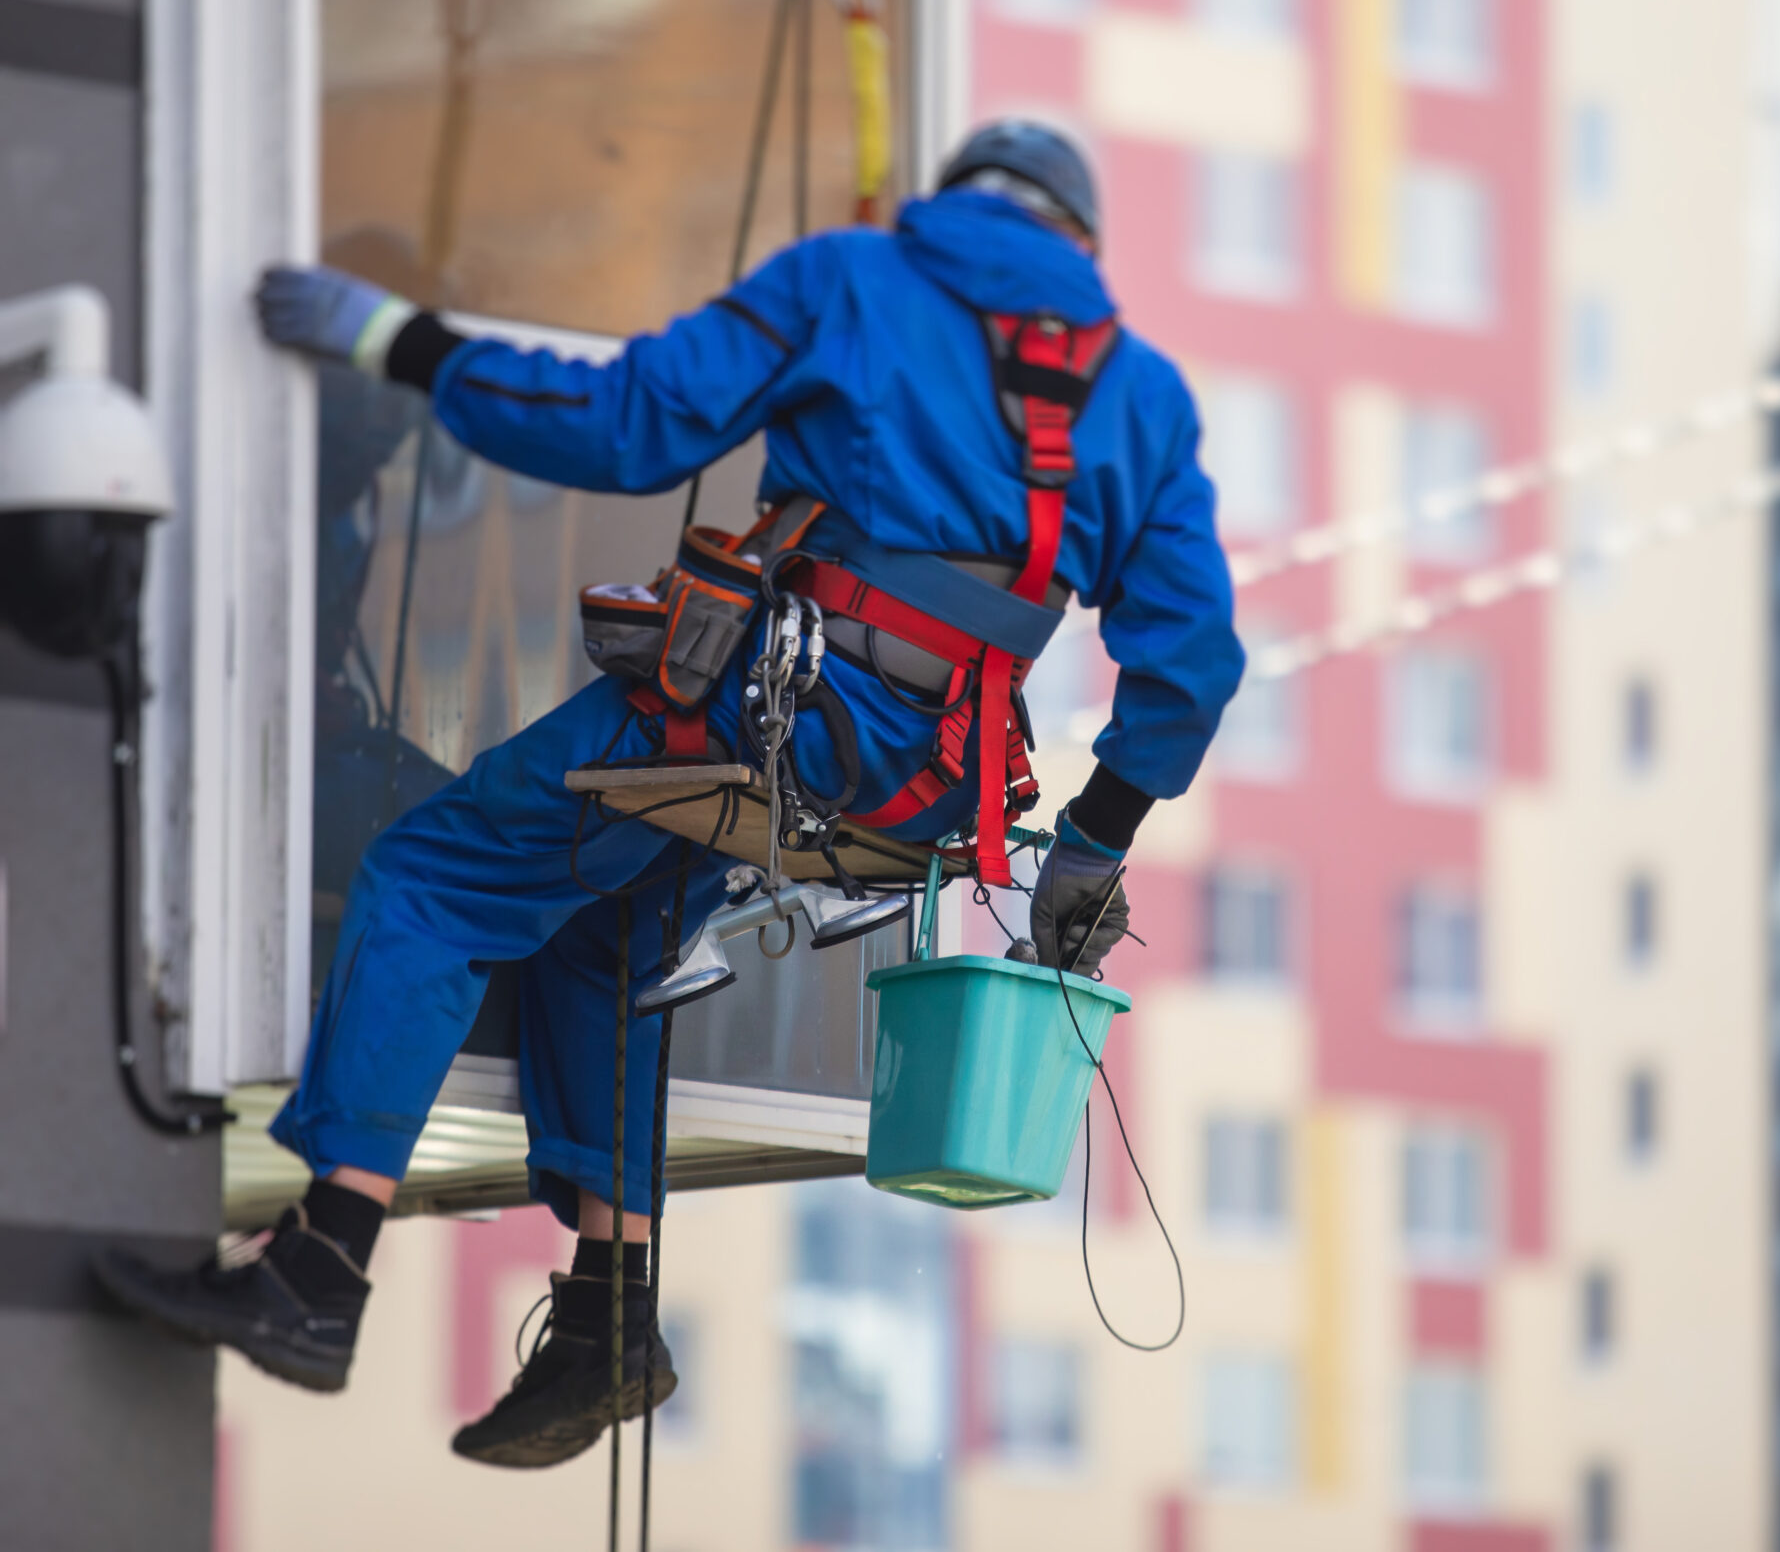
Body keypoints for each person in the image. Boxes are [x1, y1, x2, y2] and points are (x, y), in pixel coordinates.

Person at [95, 121, 1244, 1467]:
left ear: (959, 206)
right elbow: (1192, 662)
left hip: (764, 721)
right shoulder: (1141, 396)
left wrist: (396, 346)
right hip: (921, 793)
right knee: (609, 933)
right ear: (1078, 249)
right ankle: (610, 1319)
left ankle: (318, 1268)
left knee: (438, 879)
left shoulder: (855, 283)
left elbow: (626, 426)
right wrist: (1091, 848)